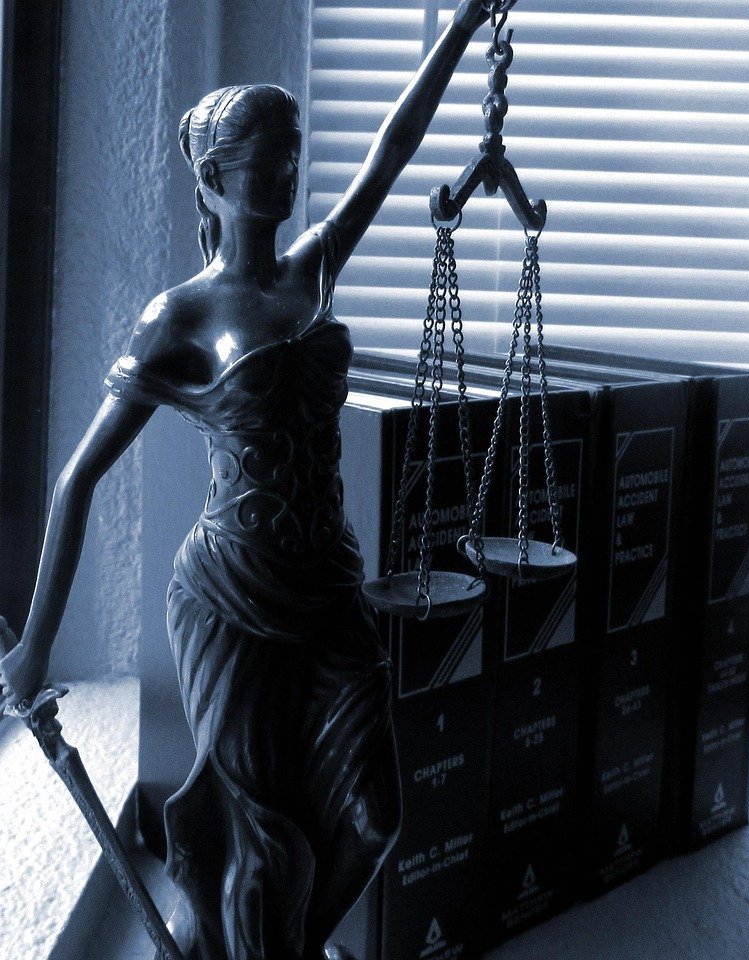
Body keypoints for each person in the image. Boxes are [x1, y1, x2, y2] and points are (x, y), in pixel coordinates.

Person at [0, 2, 504, 957]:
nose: (286, 175)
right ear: (214, 178)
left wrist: (465, 21)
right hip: (230, 598)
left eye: (293, 156)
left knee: (373, 816)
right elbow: (77, 481)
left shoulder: (314, 270)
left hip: (329, 587)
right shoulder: (177, 319)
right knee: (259, 846)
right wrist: (33, 646)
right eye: (267, 160)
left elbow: (394, 150)